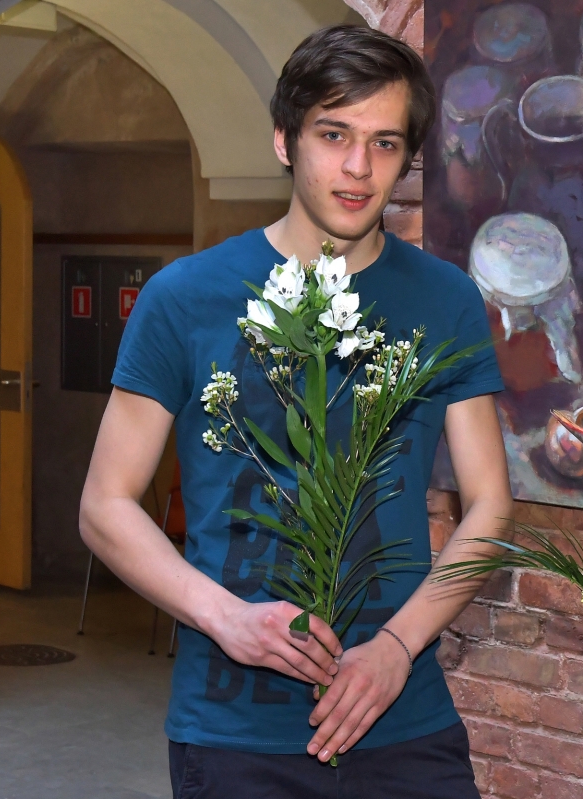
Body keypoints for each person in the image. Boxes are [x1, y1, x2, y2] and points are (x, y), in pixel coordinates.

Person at [79, 26, 512, 799]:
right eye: (333, 135)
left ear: (407, 158)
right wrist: (226, 618)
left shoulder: (444, 299)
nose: (358, 167)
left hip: (402, 718)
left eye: (384, 143)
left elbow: (489, 504)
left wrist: (397, 647)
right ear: (285, 139)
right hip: (234, 731)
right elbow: (105, 505)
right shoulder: (184, 297)